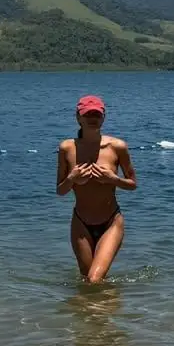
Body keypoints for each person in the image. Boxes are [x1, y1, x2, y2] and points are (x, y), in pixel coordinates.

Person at [56, 94, 137, 282]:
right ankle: (108, 299)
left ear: (103, 117)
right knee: (87, 281)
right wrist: (72, 178)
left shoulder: (117, 147)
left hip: (111, 222)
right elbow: (60, 190)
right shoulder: (67, 148)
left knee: (94, 279)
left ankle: (105, 299)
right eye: (88, 115)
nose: (93, 119)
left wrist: (112, 179)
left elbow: (133, 184)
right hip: (80, 223)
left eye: (97, 115)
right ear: (78, 117)